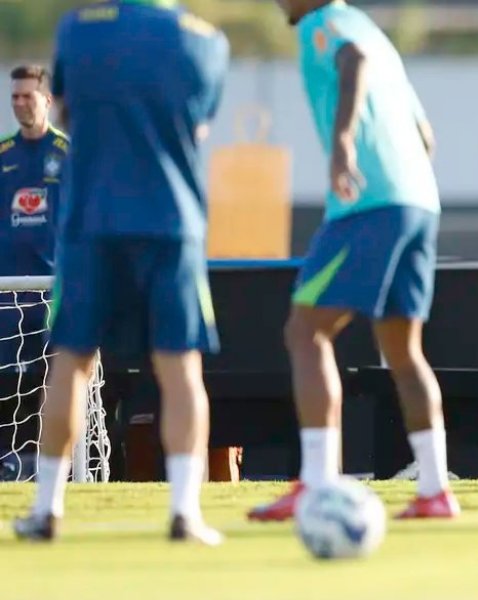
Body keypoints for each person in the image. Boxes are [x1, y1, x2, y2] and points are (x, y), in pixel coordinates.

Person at [13, 0, 229, 544]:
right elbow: (199, 126)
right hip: (171, 220)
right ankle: (185, 512)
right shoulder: (204, 41)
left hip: (93, 220)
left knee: (70, 365)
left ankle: (47, 510)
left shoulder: (78, 31)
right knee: (181, 369)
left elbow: (64, 110)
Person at [249, 0, 455, 521]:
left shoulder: (327, 24)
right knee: (403, 351)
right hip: (418, 201)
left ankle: (316, 482)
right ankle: (434, 491)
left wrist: (343, 143)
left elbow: (354, 59)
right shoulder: (374, 29)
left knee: (305, 331)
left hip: (370, 203)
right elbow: (426, 135)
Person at [0, 66, 67, 371]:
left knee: (54, 386)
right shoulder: (4, 153)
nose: (19, 103)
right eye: (14, 96)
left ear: (48, 100)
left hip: (54, 292)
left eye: (28, 96)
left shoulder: (69, 153)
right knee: (10, 398)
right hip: (8, 295)